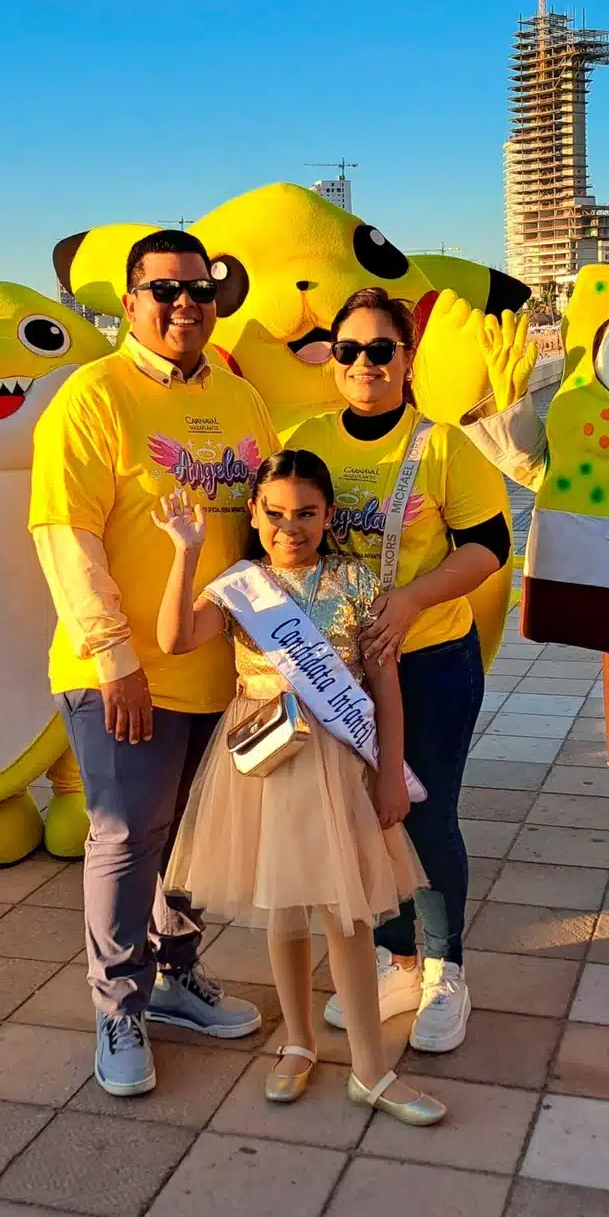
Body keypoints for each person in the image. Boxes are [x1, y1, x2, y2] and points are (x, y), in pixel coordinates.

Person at [30, 227, 279, 1098]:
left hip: (223, 668)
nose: (185, 304)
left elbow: (266, 524)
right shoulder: (91, 397)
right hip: (125, 673)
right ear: (129, 302)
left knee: (197, 841)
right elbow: (66, 535)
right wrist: (113, 657)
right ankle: (119, 1007)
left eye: (201, 290)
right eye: (164, 290)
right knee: (129, 837)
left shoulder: (242, 401)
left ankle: (176, 977)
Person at [155, 453, 444, 1125]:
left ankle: (371, 1068)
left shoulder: (356, 582)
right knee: (283, 908)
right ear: (253, 514)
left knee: (345, 916)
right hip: (263, 758)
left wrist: (392, 773)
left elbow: (385, 688)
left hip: (340, 761)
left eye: (306, 514)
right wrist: (185, 553)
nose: (291, 527)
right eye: (276, 513)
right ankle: (299, 1042)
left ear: (328, 517)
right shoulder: (238, 585)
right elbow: (174, 639)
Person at [286, 288, 510, 1053]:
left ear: (407, 360)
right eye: (349, 350)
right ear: (332, 360)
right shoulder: (307, 437)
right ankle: (397, 956)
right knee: (360, 815)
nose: (364, 365)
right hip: (338, 673)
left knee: (424, 813)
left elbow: (488, 548)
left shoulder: (444, 445)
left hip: (432, 661)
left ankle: (447, 968)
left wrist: (413, 598)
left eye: (382, 350)